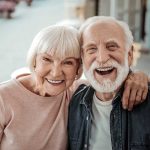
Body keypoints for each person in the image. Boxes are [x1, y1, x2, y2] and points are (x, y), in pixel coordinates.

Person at [0, 24, 148, 150]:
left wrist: (138, 76)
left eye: (68, 62)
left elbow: (110, 80)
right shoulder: (3, 97)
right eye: (47, 59)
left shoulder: (76, 93)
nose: (56, 73)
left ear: (78, 68)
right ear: (34, 61)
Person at [68, 16, 150, 150]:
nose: (101, 58)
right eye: (92, 49)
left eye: (112, 47)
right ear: (82, 58)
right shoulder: (74, 101)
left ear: (129, 55)